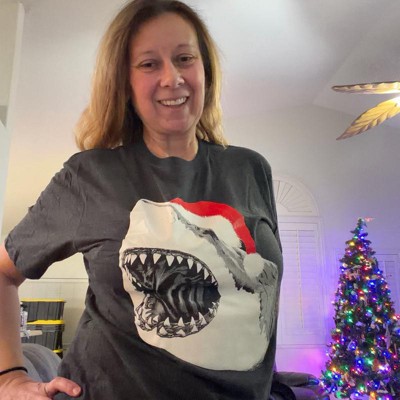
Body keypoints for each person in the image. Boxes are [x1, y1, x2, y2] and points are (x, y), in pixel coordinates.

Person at [0, 0, 283, 398]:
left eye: (184, 58)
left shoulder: (251, 169)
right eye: (149, 64)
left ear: (205, 70)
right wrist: (10, 376)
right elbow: (3, 272)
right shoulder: (90, 175)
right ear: (125, 83)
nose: (172, 78)